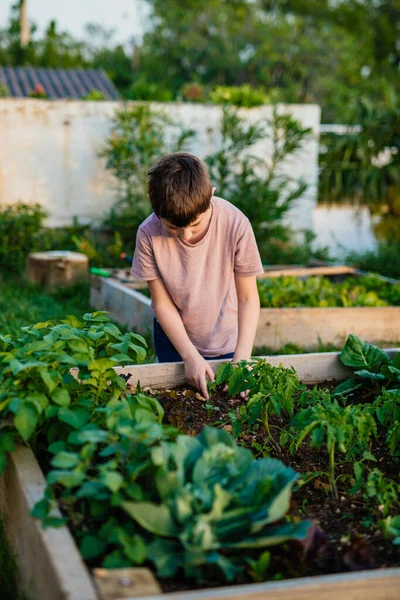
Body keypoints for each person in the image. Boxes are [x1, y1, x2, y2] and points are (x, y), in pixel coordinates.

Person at [131, 152, 263, 398]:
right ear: (152, 202)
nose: (186, 236)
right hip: (174, 340)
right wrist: (189, 355)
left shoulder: (236, 223)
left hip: (227, 338)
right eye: (173, 228)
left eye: (196, 225)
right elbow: (161, 303)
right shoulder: (148, 234)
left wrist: (242, 362)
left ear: (210, 195)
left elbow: (248, 298)